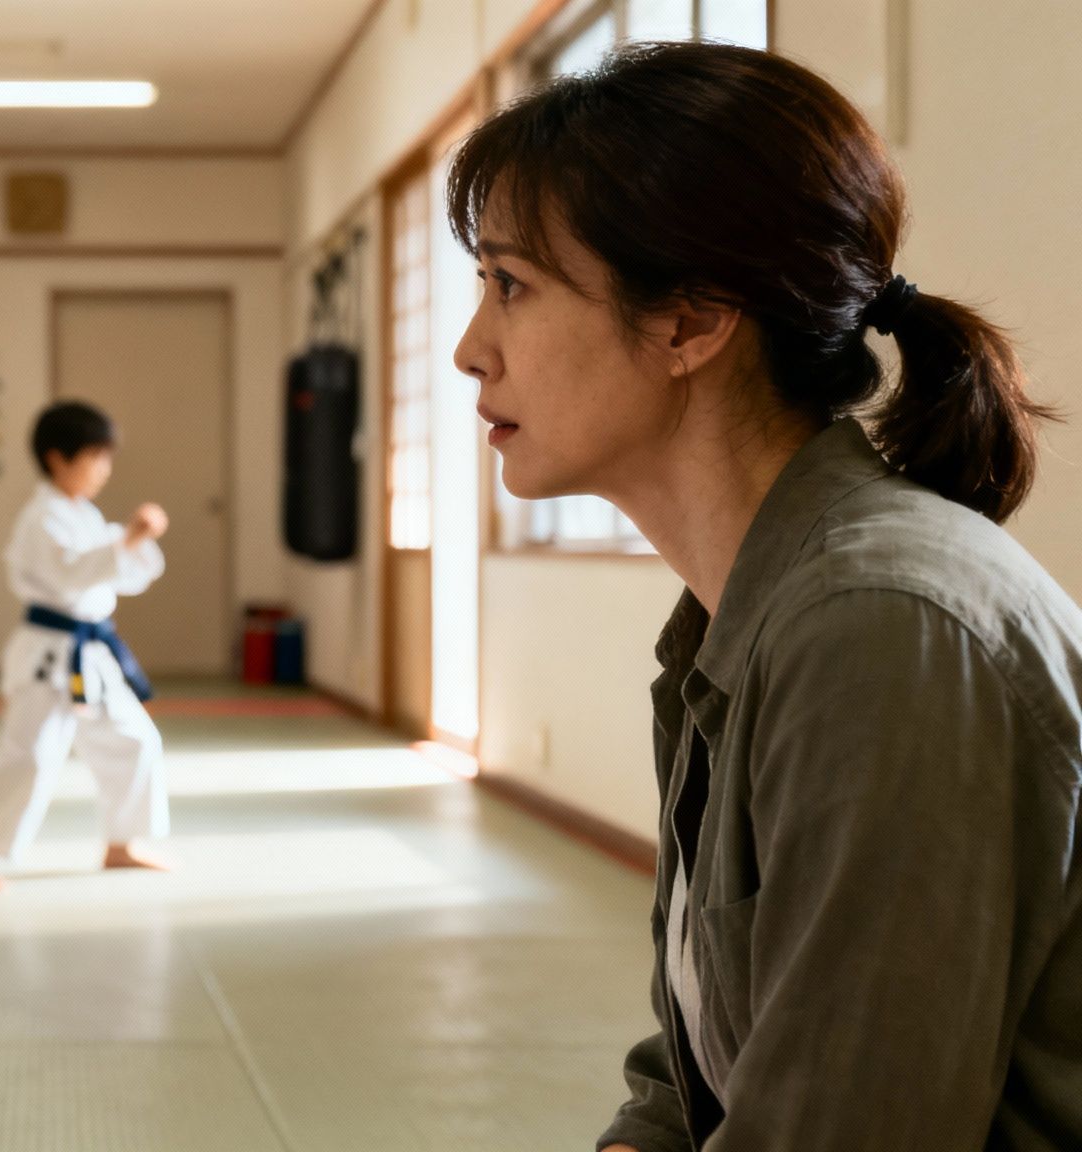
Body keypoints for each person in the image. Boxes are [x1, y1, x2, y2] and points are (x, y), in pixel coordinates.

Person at [449, 41, 1081, 1151]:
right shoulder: (739, 615)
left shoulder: (879, 627)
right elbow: (687, 1063)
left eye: (511, 285)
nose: (468, 348)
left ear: (689, 322)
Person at [0, 401, 174, 891]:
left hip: (91, 655)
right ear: (57, 459)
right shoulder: (40, 518)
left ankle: (122, 844)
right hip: (50, 657)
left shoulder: (82, 514)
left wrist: (130, 542)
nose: (104, 469)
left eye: (107, 457)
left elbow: (119, 571)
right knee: (29, 757)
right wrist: (128, 537)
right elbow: (72, 572)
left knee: (134, 740)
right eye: (95, 456)